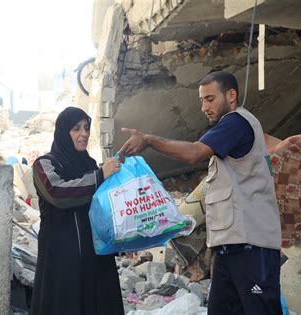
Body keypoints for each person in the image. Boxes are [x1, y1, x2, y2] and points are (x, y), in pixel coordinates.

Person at [119, 71, 282, 314]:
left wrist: (149, 140)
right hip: (229, 247)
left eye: (210, 98)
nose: (204, 106)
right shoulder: (230, 130)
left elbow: (194, 153)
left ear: (231, 95)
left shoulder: (236, 122)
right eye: (201, 100)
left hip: (251, 245)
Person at [30, 107, 124, 315]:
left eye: (86, 128)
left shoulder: (90, 165)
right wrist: (100, 176)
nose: (84, 134)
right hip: (62, 259)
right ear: (63, 132)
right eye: (76, 128)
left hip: (96, 256)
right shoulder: (44, 165)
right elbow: (57, 193)